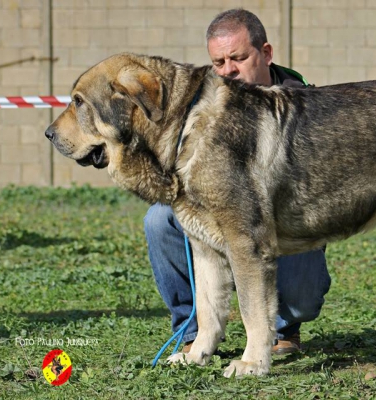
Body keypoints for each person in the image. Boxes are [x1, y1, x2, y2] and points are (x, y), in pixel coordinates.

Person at [144, 8, 331, 356]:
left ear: (267, 54)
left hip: (285, 218)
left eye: (238, 58)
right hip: (217, 208)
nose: (228, 70)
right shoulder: (202, 102)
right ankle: (195, 330)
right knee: (159, 219)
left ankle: (284, 328)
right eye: (218, 62)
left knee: (302, 298)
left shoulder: (300, 98)